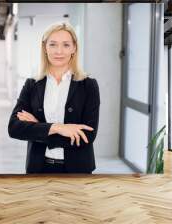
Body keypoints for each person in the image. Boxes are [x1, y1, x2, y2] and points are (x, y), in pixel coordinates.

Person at [8, 22, 100, 174]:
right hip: (38, 168)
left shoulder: (88, 85)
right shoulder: (32, 84)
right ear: (45, 47)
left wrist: (39, 127)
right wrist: (59, 128)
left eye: (65, 45)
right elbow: (14, 128)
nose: (59, 51)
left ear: (74, 48)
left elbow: (87, 136)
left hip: (78, 170)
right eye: (53, 44)